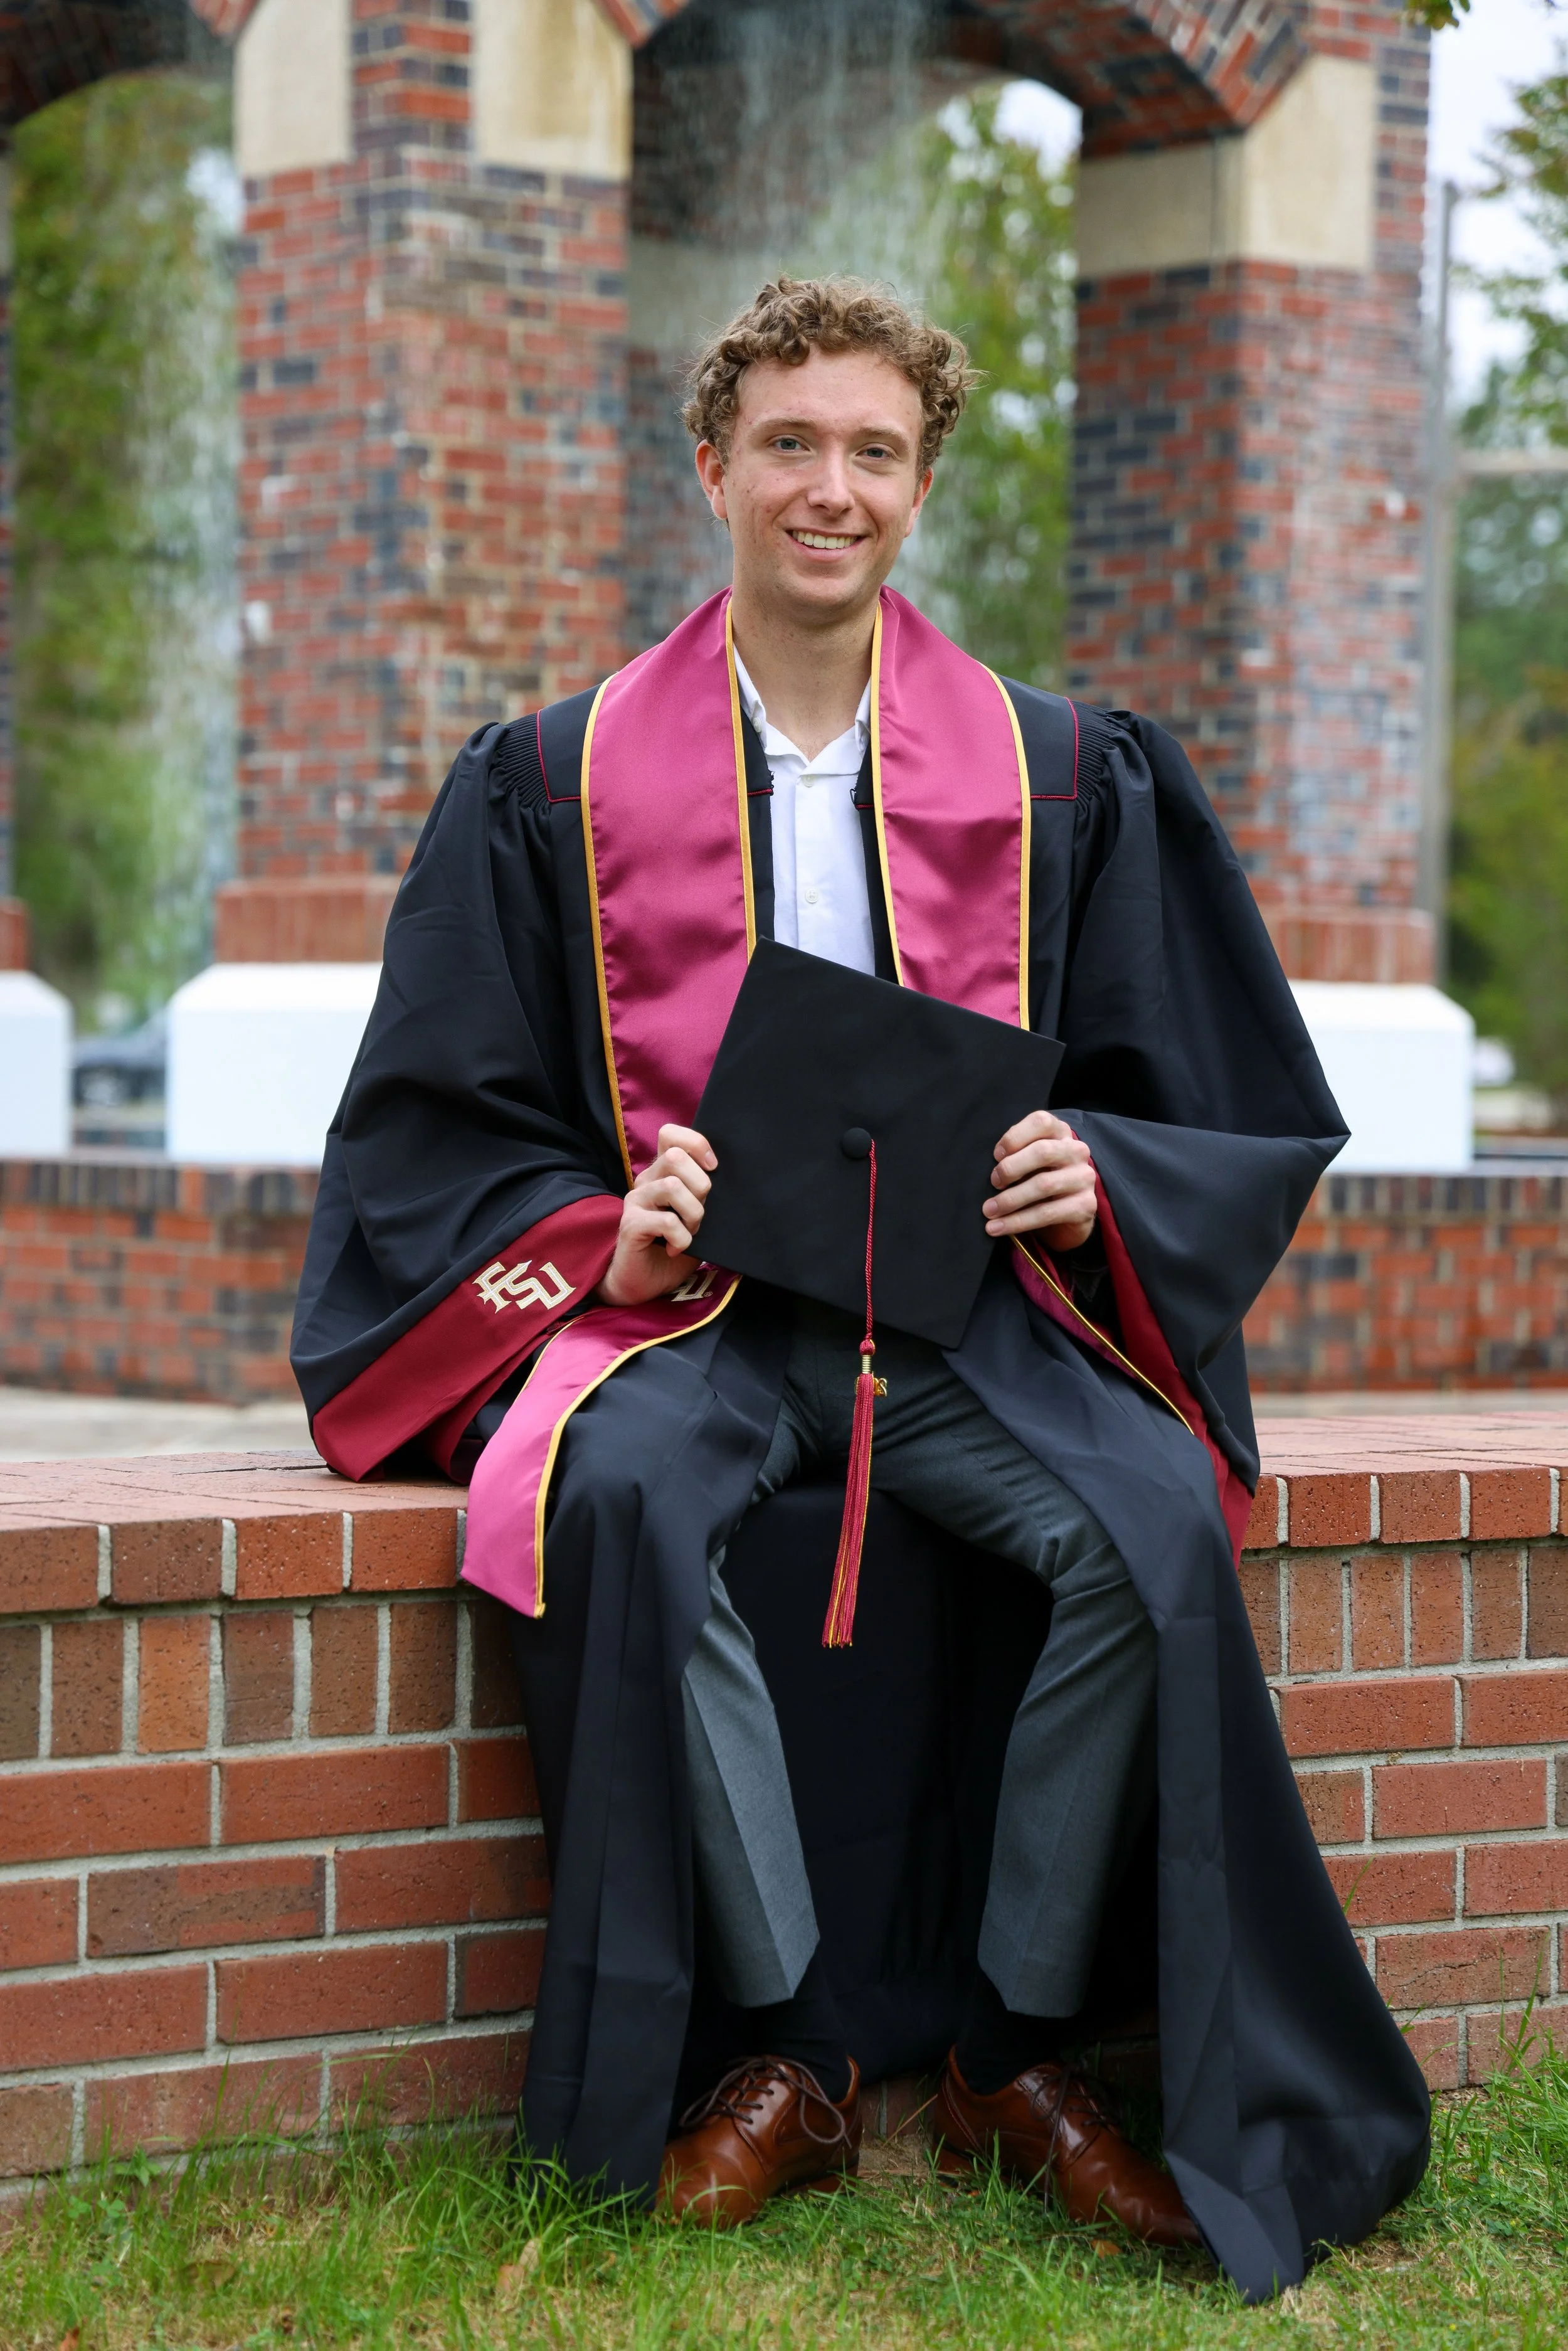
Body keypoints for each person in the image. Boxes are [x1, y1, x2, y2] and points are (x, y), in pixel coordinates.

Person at [292, 277, 1430, 2301]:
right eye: (793, 446)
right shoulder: (548, 781)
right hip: (696, 1320)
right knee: (626, 1501)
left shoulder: (1060, 768)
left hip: (968, 1321)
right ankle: (797, 2051)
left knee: (1143, 1522)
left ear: (921, 483)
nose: (832, 489)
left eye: (875, 452)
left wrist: (1098, 1174)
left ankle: (1005, 2051)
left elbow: (1205, 1090)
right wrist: (604, 1230)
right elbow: (430, 1121)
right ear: (712, 464)